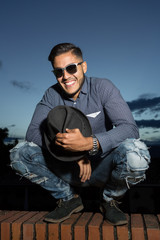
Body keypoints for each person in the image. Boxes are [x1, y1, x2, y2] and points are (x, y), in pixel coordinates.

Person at [10, 43, 150, 225]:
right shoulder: (51, 95)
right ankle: (68, 199)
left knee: (137, 152)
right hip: (68, 170)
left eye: (71, 68)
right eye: (58, 71)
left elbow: (130, 128)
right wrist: (74, 153)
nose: (65, 76)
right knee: (20, 153)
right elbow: (32, 133)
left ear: (83, 66)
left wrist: (90, 144)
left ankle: (110, 200)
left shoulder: (102, 87)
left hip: (103, 167)